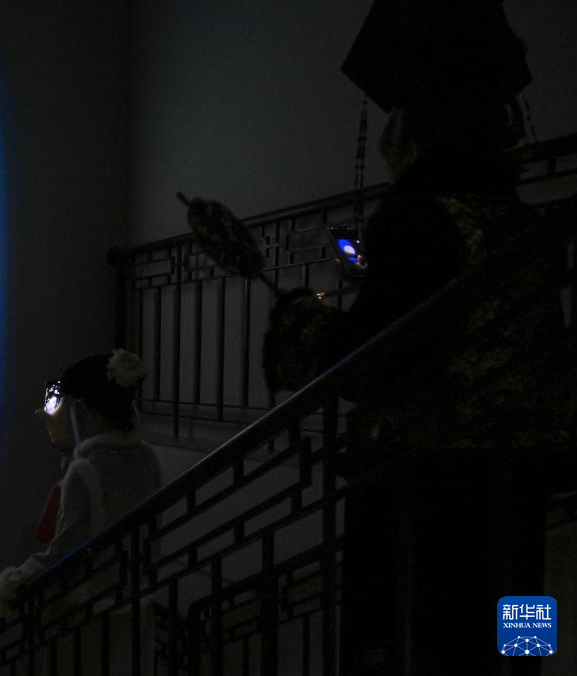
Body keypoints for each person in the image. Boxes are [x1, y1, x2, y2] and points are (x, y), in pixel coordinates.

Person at [263, 2, 575, 673]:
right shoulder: (521, 222)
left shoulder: (419, 216)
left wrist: (300, 324)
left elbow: (378, 359)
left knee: (418, 639)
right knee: (518, 631)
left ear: (413, 127)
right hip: (521, 482)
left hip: (429, 488)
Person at [0, 349, 163, 669]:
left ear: (88, 413)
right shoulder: (148, 459)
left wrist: (12, 585)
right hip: (137, 608)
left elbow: (63, 553)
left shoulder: (86, 471)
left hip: (92, 618)